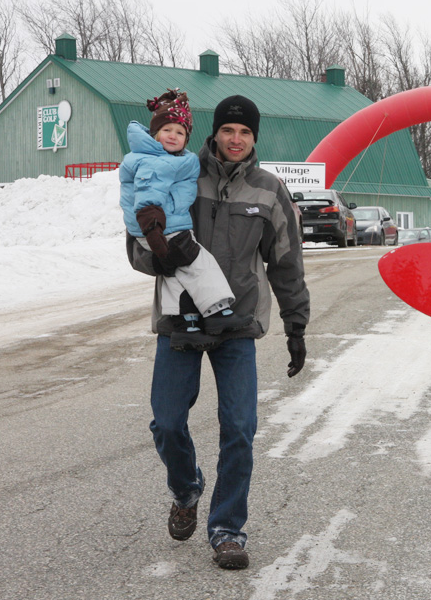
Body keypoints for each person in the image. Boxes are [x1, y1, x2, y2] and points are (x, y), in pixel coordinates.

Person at [127, 94, 310, 570]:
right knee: (166, 422)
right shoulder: (182, 169)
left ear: (254, 138)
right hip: (180, 320)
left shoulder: (270, 191)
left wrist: (296, 325)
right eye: (228, 130)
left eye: (245, 132)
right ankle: (186, 488)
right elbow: (136, 239)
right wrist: (158, 256)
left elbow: (286, 263)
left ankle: (227, 529)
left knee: (240, 430)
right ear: (215, 133)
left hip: (237, 324)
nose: (235, 139)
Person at [119, 89, 253, 351]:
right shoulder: (156, 161)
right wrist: (154, 232)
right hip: (159, 228)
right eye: (167, 130)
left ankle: (185, 322)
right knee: (201, 265)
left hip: (159, 226)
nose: (173, 136)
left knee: (176, 273)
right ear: (155, 135)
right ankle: (217, 312)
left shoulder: (163, 159)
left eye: (180, 132)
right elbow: (148, 197)